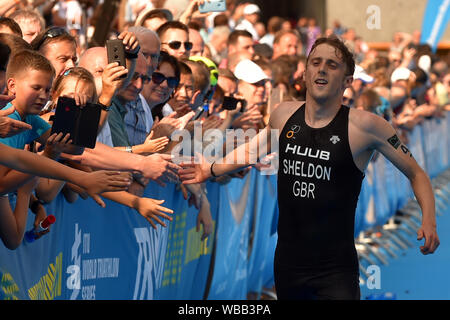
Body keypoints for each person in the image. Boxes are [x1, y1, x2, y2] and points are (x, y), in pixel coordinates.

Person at [179, 36, 440, 300]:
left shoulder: (366, 126)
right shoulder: (283, 114)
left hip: (336, 270)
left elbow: (416, 173)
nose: (322, 69)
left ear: (347, 81)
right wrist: (209, 169)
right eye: (316, 62)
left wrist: (429, 219)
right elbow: (251, 150)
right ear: (305, 73)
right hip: (288, 265)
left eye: (332, 64)